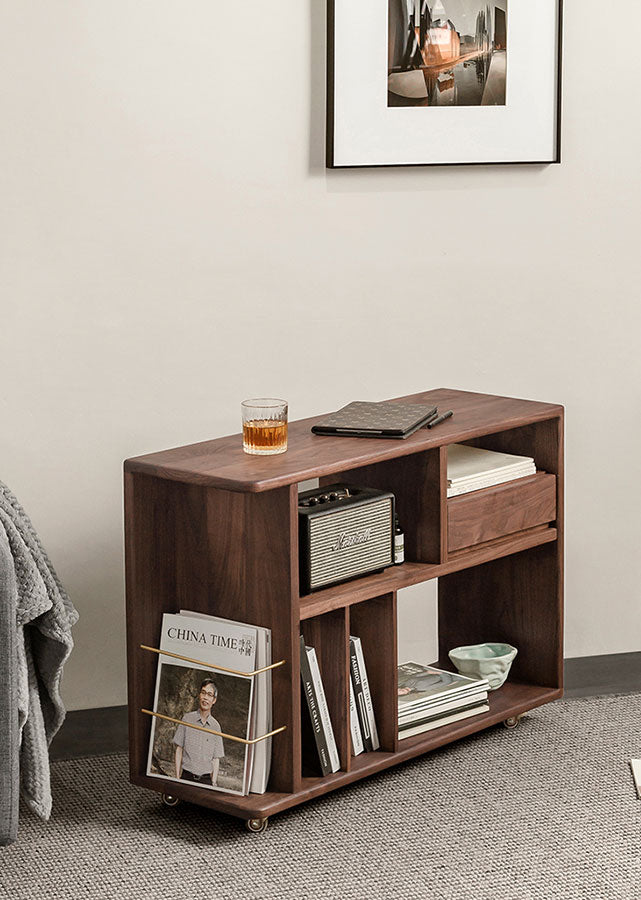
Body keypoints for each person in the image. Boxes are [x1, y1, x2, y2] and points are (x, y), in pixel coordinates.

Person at [173, 677, 225, 786]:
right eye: (203, 693)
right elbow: (179, 749)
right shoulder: (187, 719)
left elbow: (216, 759)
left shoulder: (216, 726)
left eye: (209, 695)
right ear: (199, 695)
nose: (205, 698)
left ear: (214, 700)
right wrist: (177, 777)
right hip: (186, 777)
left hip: (206, 781)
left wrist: (214, 781)